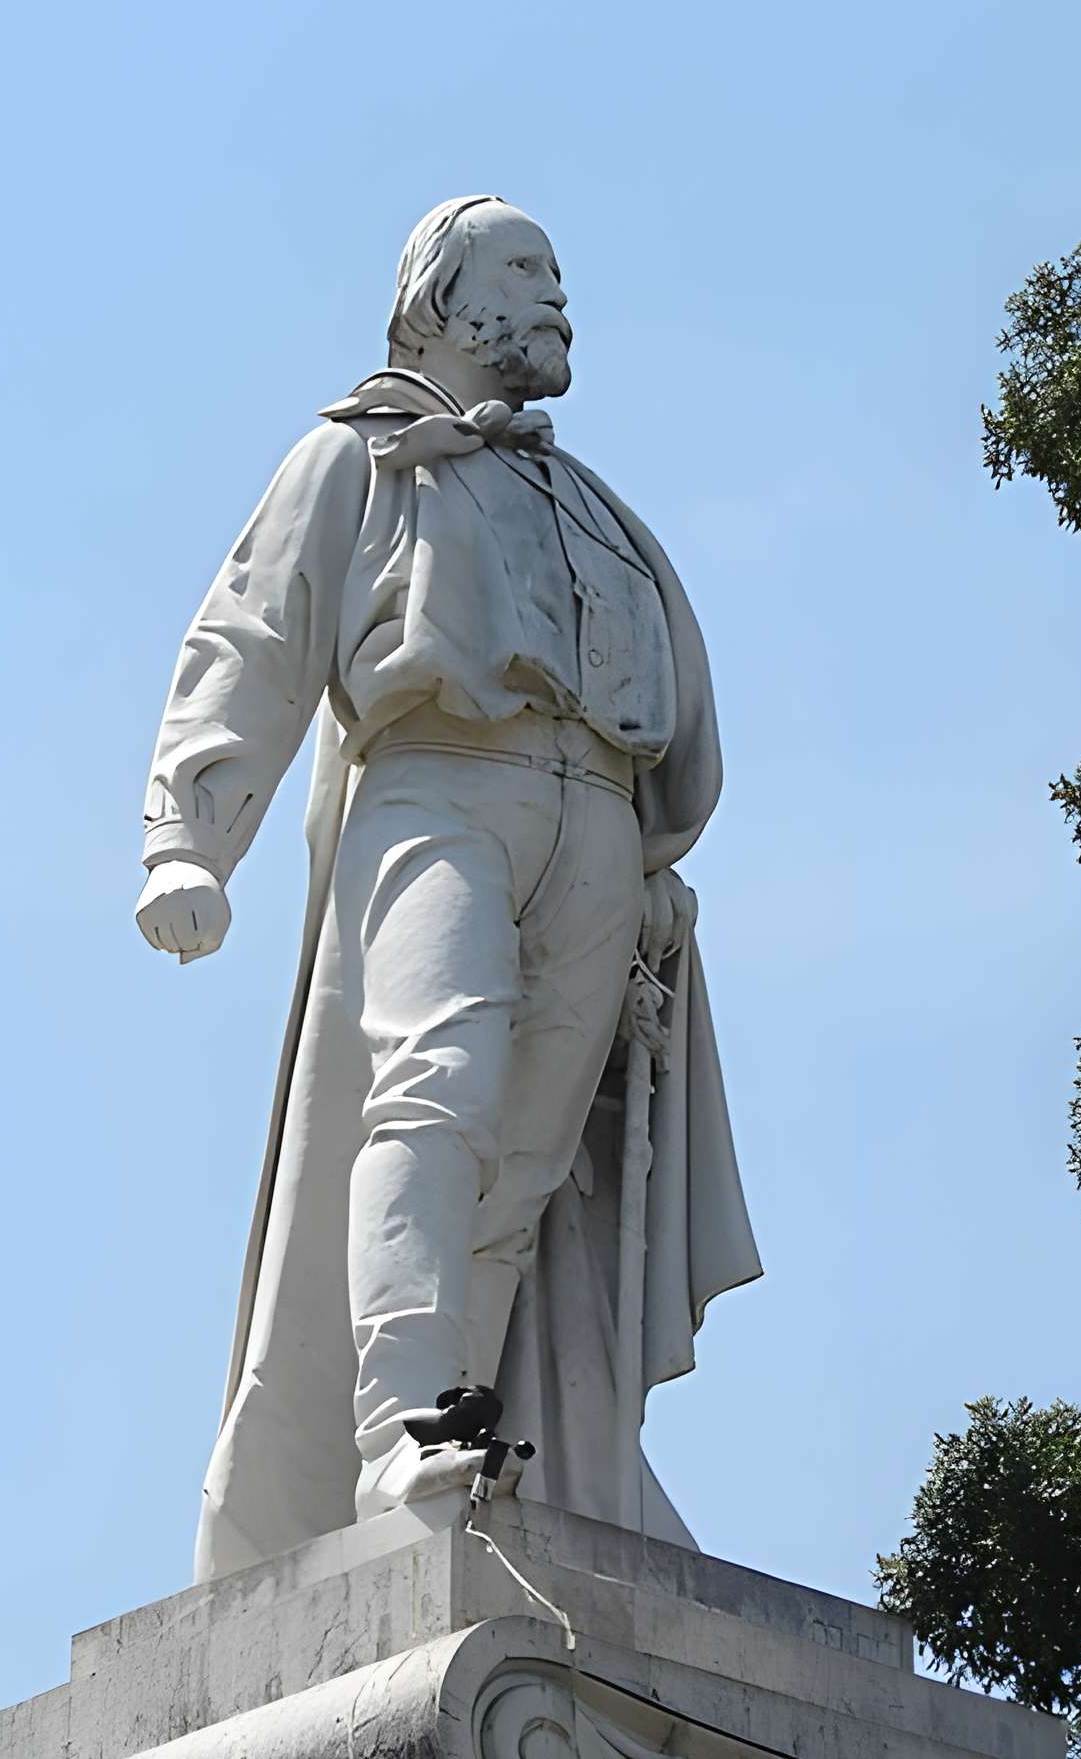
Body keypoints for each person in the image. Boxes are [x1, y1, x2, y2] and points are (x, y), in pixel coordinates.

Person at [137, 196, 762, 1581]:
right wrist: (189, 838)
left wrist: (654, 871)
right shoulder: (357, 458)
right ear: (441, 297)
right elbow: (249, 634)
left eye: (560, 277)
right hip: (436, 788)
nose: (558, 300)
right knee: (434, 1085)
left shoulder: (594, 507)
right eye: (530, 272)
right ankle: (398, 1429)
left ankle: (469, 1440)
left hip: (596, 822)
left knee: (528, 1169)